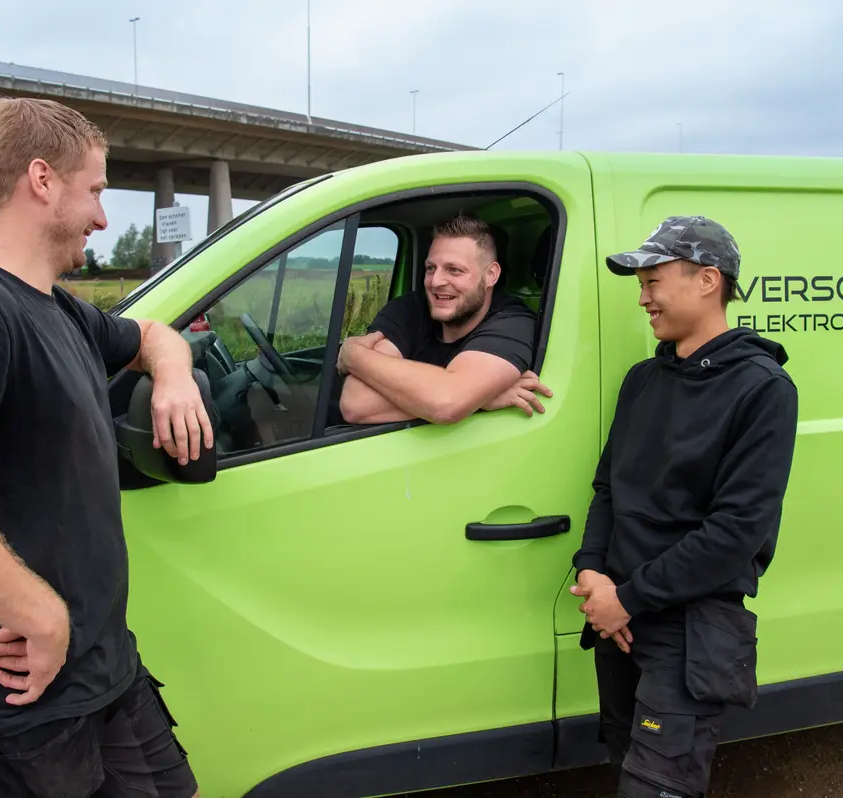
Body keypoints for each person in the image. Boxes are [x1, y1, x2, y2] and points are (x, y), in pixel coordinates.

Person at [0, 97, 209, 798]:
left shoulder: (55, 309)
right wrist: (41, 614)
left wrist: (173, 378)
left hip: (105, 671)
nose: (103, 219)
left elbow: (151, 336)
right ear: (43, 180)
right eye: (97, 192)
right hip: (28, 706)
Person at [568, 216, 798, 798]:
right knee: (624, 759)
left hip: (690, 629)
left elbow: (735, 533)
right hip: (619, 619)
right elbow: (609, 488)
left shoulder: (762, 388)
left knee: (657, 784)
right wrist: (592, 569)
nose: (643, 298)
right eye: (639, 284)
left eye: (653, 280)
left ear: (707, 280)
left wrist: (627, 597)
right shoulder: (642, 379)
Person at [337, 214, 551, 425]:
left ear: (491, 275)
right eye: (431, 268)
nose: (435, 281)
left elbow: (447, 403)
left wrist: (354, 355)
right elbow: (357, 404)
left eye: (454, 270)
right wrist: (478, 399)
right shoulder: (410, 308)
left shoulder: (512, 323)